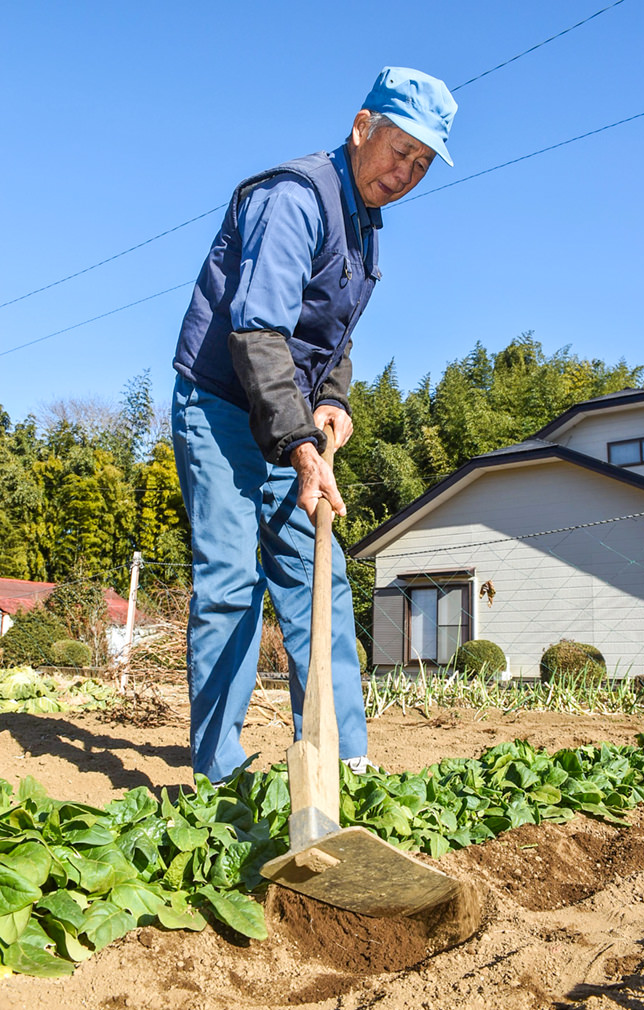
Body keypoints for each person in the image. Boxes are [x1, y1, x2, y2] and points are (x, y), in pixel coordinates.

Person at [171, 66, 458, 784]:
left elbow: (334, 336)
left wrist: (334, 399)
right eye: (401, 151)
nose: (406, 173)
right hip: (222, 409)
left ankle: (338, 759)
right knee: (233, 585)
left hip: (290, 421)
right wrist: (302, 447)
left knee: (318, 584)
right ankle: (220, 774)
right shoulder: (294, 199)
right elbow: (259, 332)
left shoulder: (366, 231)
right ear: (363, 127)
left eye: (422, 165)